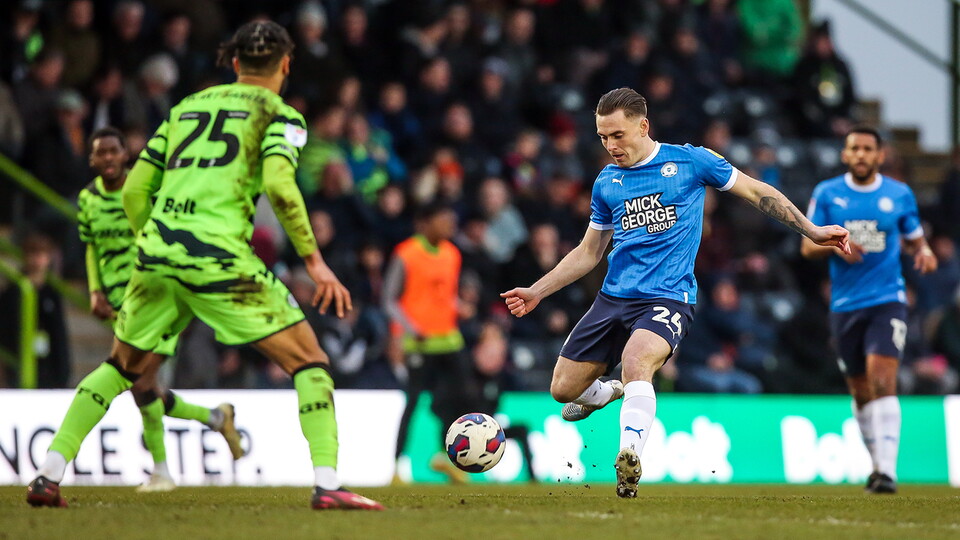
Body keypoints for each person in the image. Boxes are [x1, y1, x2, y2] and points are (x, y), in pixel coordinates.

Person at [27, 21, 382, 511]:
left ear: (234, 64)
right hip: (218, 258)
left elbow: (133, 191)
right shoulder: (282, 115)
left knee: (120, 367)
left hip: (155, 254)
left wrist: (153, 243)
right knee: (310, 361)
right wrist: (316, 264)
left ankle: (48, 473)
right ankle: (327, 484)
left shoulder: (184, 108)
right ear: (285, 64)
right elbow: (280, 186)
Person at [501, 87, 850, 499]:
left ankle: (628, 456)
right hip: (614, 298)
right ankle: (609, 392)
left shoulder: (690, 161)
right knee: (562, 389)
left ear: (643, 126)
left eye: (618, 135)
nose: (611, 146)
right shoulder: (607, 182)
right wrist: (538, 291)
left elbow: (757, 192)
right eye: (602, 137)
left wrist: (811, 230)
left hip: (668, 297)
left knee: (636, 361)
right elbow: (589, 251)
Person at [74, 127, 241, 492]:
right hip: (121, 303)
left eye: (113, 151)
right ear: (92, 159)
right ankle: (215, 419)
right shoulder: (87, 198)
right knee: (142, 387)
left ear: (124, 155)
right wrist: (95, 290)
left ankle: (163, 470)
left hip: (158, 297)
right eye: (99, 153)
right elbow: (91, 247)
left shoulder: (143, 189)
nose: (107, 159)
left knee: (141, 382)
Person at [801, 125, 938, 494]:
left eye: (867, 149)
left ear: (880, 155)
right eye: (854, 149)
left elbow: (913, 238)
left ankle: (887, 472)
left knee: (883, 377)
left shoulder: (899, 194)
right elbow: (806, 247)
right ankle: (876, 465)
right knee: (860, 390)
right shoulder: (827, 193)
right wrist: (834, 242)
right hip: (845, 305)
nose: (860, 155)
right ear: (845, 155)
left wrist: (923, 251)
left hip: (887, 300)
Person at [384, 201, 469, 483]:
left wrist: (459, 306)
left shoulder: (452, 254)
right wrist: (409, 328)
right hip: (420, 343)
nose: (449, 226)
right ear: (426, 223)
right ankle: (397, 467)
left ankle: (444, 457)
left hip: (449, 339)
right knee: (413, 402)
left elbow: (444, 295)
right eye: (444, 220)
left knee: (455, 399)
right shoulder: (407, 254)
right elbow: (389, 298)